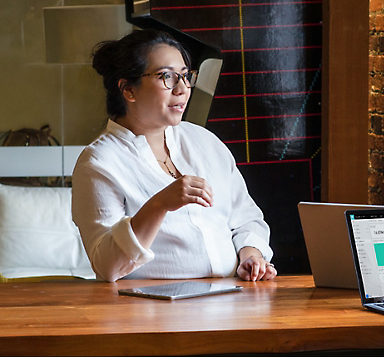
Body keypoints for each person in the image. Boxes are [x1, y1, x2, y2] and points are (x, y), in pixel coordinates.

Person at [72, 30, 276, 283]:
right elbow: (107, 266)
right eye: (166, 76)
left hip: (231, 301)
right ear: (128, 90)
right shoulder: (98, 163)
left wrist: (251, 255)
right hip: (151, 311)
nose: (182, 88)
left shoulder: (205, 142)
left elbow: (246, 219)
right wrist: (159, 204)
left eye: (185, 75)